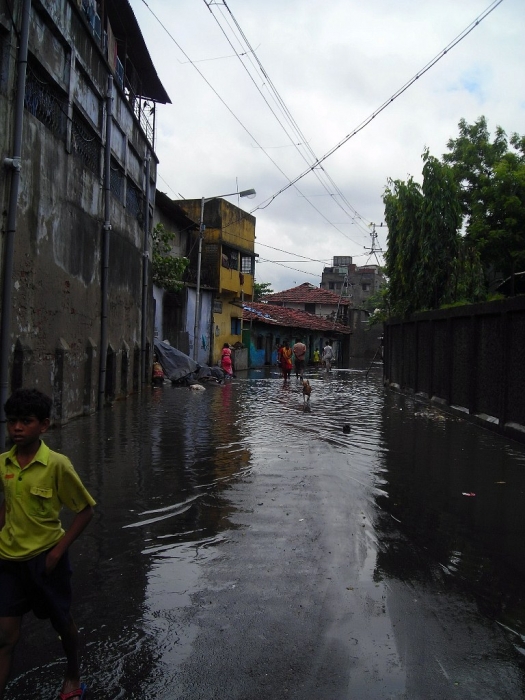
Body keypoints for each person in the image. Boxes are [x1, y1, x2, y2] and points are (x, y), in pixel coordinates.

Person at [0, 389, 95, 700]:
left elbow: (84, 510)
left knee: (62, 622)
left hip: (46, 560)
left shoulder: (57, 464)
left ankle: (72, 671)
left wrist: (57, 552)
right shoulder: (3, 464)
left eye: (25, 422)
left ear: (43, 425)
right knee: (5, 636)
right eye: (12, 421)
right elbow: (7, 505)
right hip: (9, 561)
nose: (16, 428)